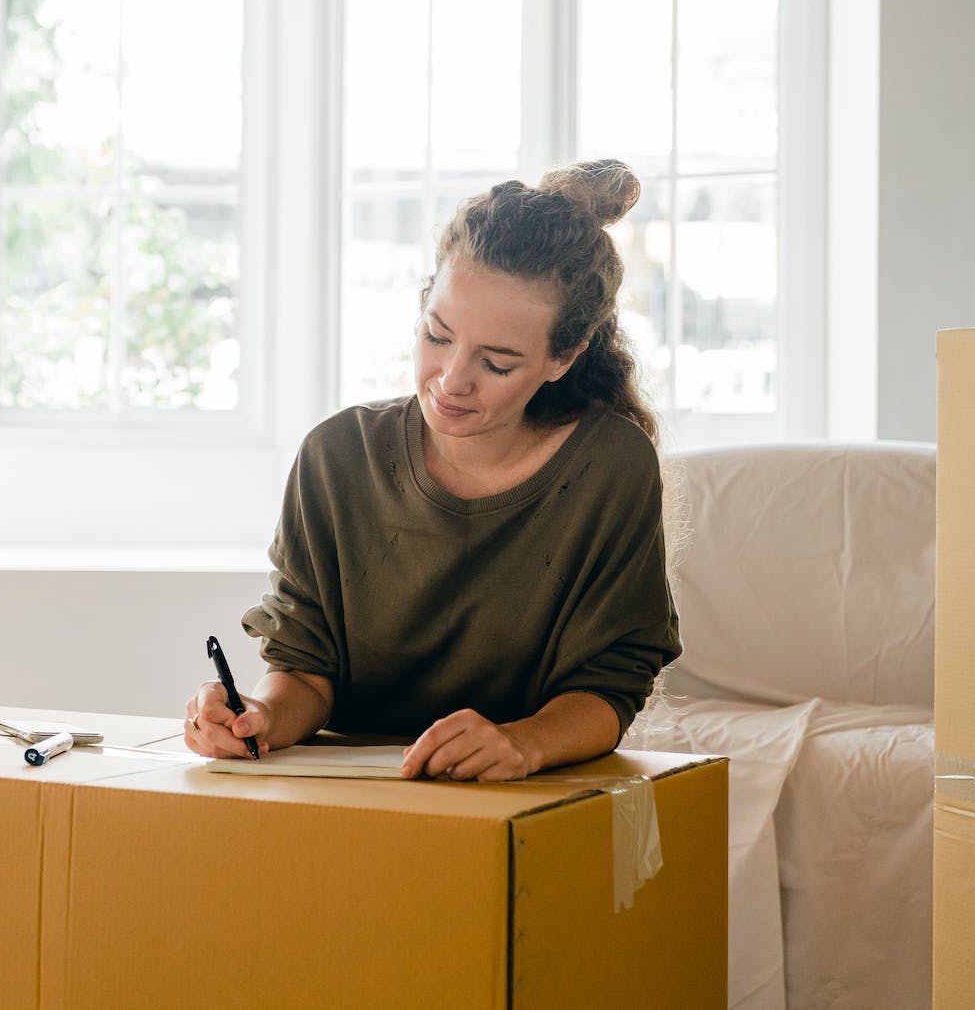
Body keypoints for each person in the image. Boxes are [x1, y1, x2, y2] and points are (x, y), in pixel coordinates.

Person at [184, 159, 680, 781]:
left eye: (497, 364)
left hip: (522, 794)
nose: (451, 381)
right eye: (438, 336)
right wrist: (256, 716)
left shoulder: (611, 467)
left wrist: (521, 743)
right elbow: (306, 669)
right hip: (348, 796)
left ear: (564, 357)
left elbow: (611, 684)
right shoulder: (336, 456)